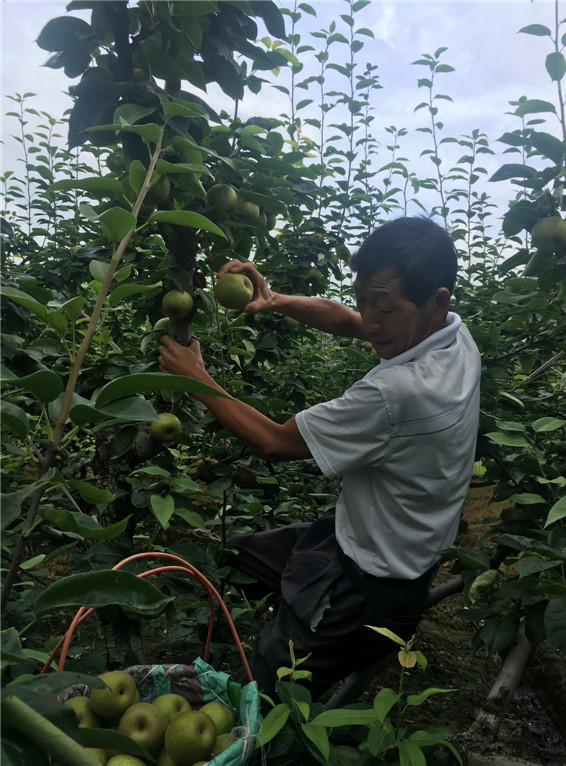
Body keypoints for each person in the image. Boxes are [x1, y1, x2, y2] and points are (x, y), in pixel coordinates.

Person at [158, 216, 481, 700]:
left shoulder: (400, 392)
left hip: (372, 587)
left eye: (384, 308)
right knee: (228, 559)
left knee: (265, 689)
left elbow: (274, 443)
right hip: (360, 538)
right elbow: (348, 321)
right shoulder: (455, 336)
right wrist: (273, 300)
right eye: (363, 299)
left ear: (437, 302)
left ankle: (260, 705)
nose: (370, 320)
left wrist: (194, 377)